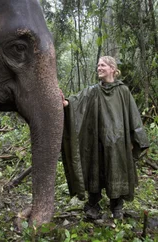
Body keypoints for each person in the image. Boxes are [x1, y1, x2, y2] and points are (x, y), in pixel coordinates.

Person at [61, 56, 149, 220]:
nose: (99, 68)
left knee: (116, 170)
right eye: (98, 65)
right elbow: (76, 101)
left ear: (112, 69)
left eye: (102, 65)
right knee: (95, 168)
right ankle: (93, 204)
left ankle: (117, 206)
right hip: (96, 140)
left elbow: (133, 116)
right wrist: (65, 103)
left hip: (118, 142)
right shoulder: (93, 90)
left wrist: (136, 138)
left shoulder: (123, 91)